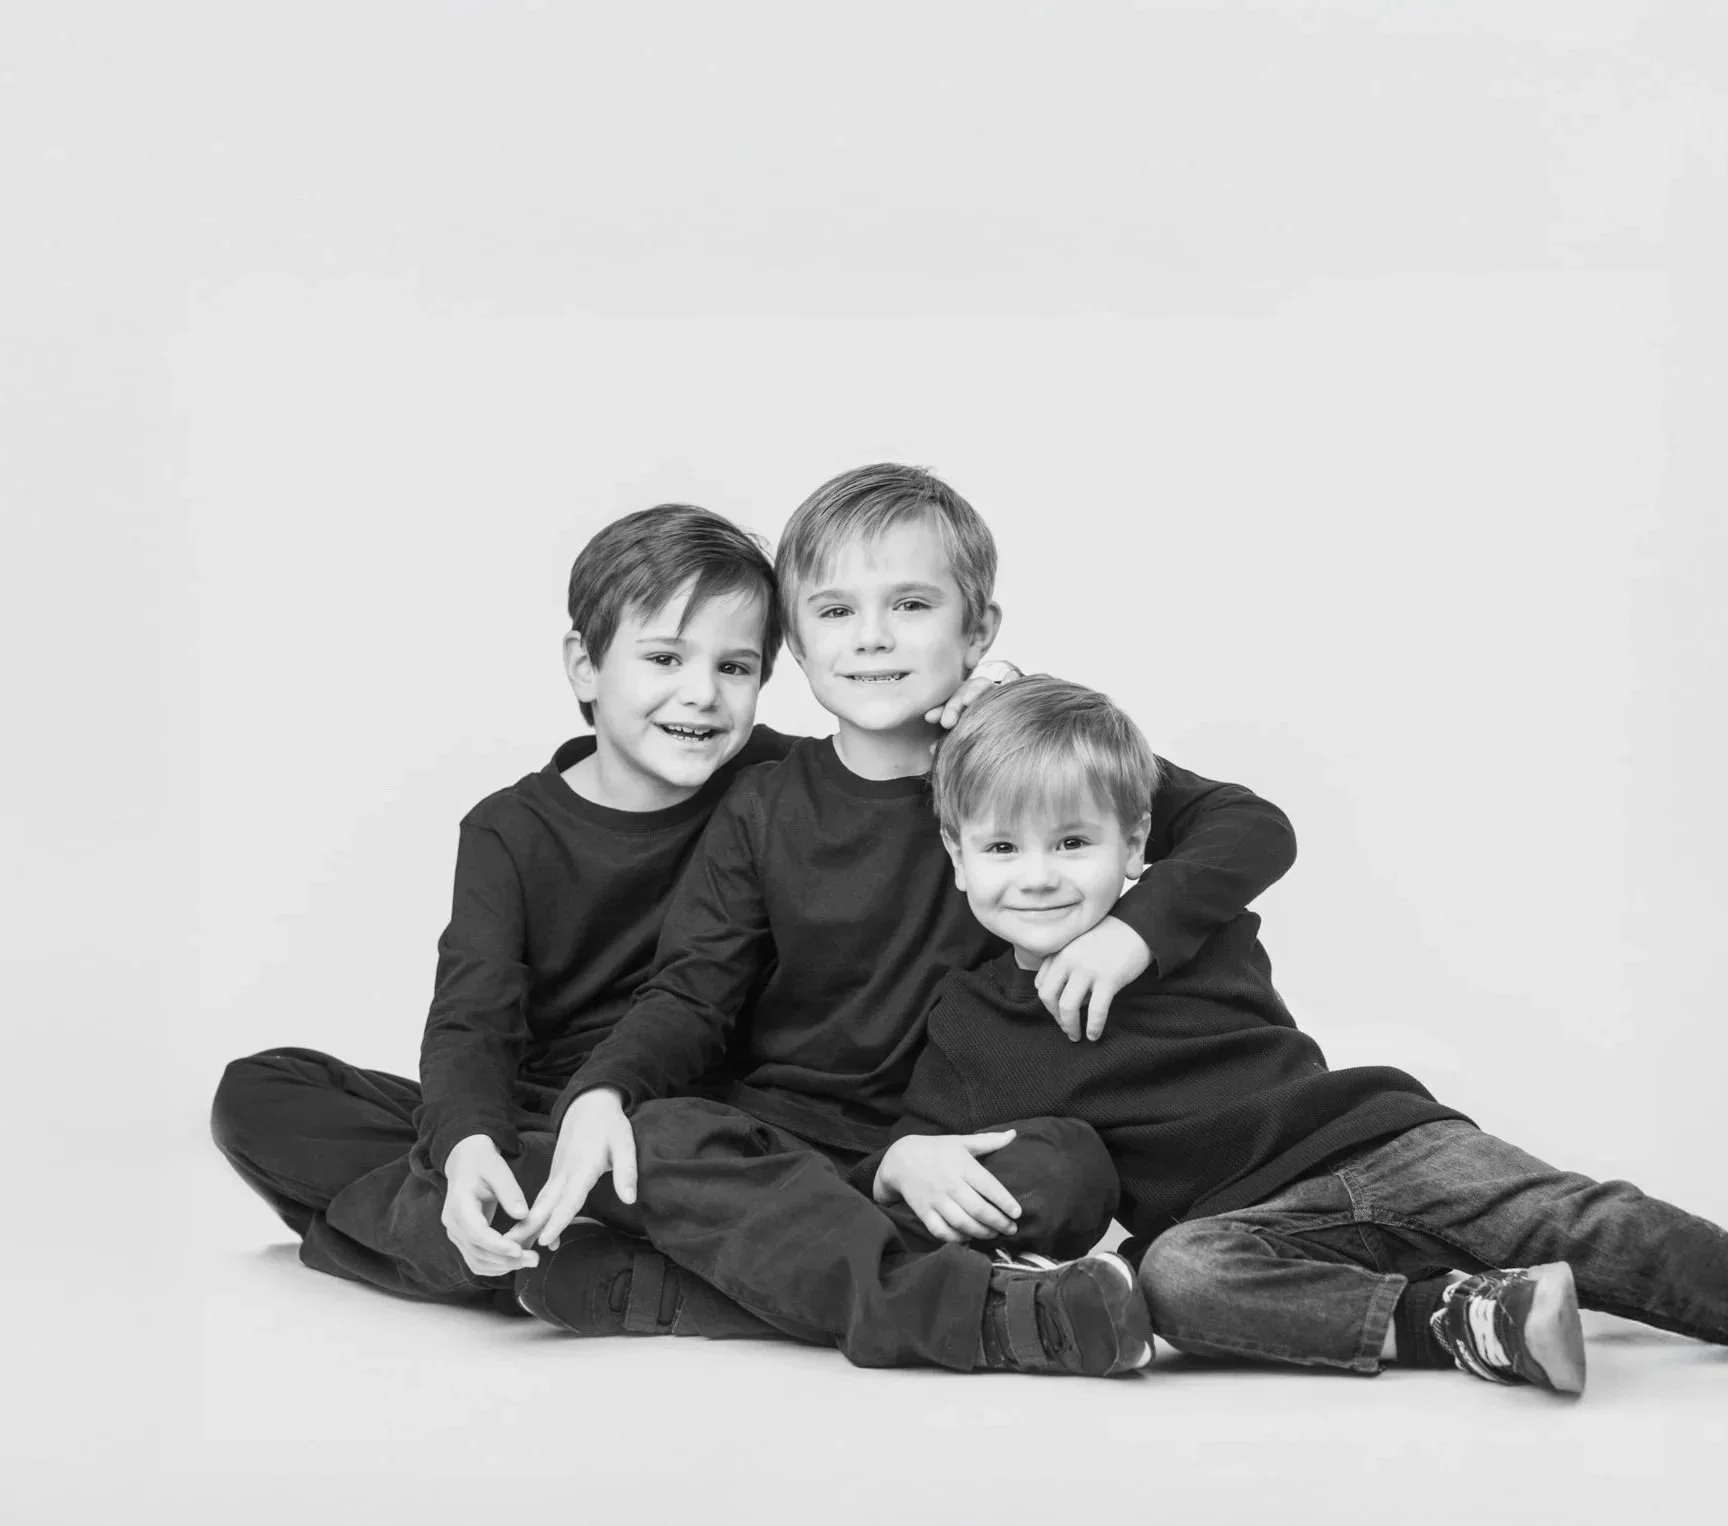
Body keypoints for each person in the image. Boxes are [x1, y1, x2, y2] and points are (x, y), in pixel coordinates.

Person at [514, 464, 1298, 1374]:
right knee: (664, 1138)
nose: (873, 639)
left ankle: (700, 1288)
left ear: (979, 631)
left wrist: (1133, 929)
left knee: (1074, 1170)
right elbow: (691, 994)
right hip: (799, 1142)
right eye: (835, 612)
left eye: (912, 606)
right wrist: (606, 1090)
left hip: (961, 1135)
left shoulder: (1014, 769)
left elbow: (1250, 827)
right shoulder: (762, 805)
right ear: (794, 649)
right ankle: (964, 1308)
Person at [209, 502, 1006, 1316]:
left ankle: (481, 1246)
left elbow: (898, 760)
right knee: (261, 1095)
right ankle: (542, 1231)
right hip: (538, 1115)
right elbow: (471, 1020)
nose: (699, 697)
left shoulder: (777, 785)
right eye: (663, 657)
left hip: (687, 1115)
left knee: (680, 1157)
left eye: (734, 668)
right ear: (585, 666)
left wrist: (991, 709)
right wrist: (464, 1145)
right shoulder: (511, 830)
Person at [901, 673, 1728, 1394]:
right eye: (1003, 846)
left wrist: (1138, 930)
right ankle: (1454, 1318)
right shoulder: (970, 1023)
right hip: (1246, 1225)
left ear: (1137, 842)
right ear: (957, 855)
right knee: (1179, 1280)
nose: (1039, 873)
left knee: (1583, 1219)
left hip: (1379, 1144)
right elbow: (914, 1147)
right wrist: (900, 1165)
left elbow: (1248, 825)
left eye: (1074, 842)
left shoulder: (1178, 925)